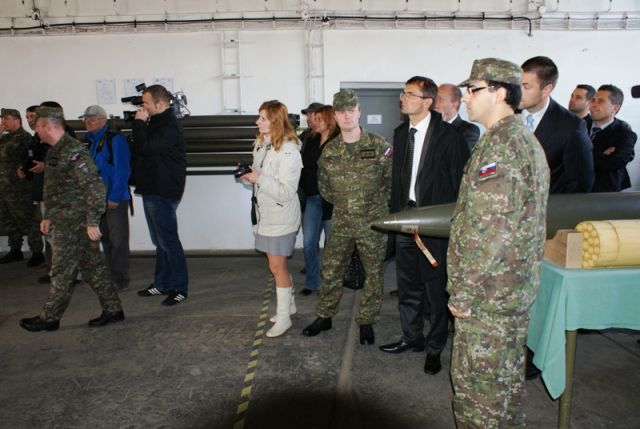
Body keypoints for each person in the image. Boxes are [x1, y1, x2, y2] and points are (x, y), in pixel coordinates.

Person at [448, 58, 549, 427]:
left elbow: (492, 230)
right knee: (504, 388)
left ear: (500, 93)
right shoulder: (516, 140)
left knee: (479, 395)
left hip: (489, 296)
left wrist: (463, 291)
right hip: (506, 292)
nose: (465, 97)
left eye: (473, 90)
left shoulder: (502, 147)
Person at [379, 77, 470, 375]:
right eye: (403, 93)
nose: (402, 98)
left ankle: (435, 348)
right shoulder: (401, 133)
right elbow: (397, 181)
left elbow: (460, 184)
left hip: (434, 222)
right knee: (407, 284)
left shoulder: (450, 136)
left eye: (410, 94)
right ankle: (412, 337)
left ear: (427, 101)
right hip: (406, 219)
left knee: (436, 290)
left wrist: (454, 225)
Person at [19, 108, 124, 332]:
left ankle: (50, 317)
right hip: (65, 220)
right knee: (93, 268)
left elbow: (95, 188)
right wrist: (49, 216)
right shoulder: (55, 151)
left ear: (48, 126)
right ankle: (113, 309)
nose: (36, 131)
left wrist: (92, 222)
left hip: (76, 224)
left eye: (37, 127)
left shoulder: (73, 151)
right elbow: (56, 190)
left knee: (61, 270)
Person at [302, 89, 392, 345]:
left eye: (351, 110)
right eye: (341, 112)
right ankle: (325, 315)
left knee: (373, 273)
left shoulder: (380, 145)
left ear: (359, 111)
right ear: (335, 116)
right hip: (341, 220)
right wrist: (347, 204)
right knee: (332, 270)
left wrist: (371, 206)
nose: (346, 116)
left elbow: (391, 183)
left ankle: (367, 321)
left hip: (372, 222)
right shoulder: (330, 151)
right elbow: (324, 187)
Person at [240, 100, 302, 337]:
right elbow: (262, 181)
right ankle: (290, 306)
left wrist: (258, 178)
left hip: (281, 217)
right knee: (276, 266)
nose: (257, 122)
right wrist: (250, 178)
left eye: (263, 118)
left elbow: (286, 192)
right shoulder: (261, 145)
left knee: (277, 267)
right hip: (265, 215)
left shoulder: (289, 151)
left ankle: (284, 318)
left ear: (275, 121)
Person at [132, 84, 189, 306]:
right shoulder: (156, 122)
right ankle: (162, 283)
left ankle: (180, 288)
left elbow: (146, 147)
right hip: (152, 187)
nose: (143, 107)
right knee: (160, 240)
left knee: (168, 241)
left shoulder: (169, 125)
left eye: (146, 103)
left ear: (160, 103)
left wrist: (139, 124)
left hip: (163, 190)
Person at [520, 56, 594, 193]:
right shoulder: (507, 113)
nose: (518, 91)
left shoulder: (571, 126)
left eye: (526, 87)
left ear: (547, 89)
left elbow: (580, 182)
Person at [81, 105, 131, 290]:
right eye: (86, 119)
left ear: (103, 120)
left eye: (92, 119)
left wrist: (115, 197)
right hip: (97, 199)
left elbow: (122, 169)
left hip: (114, 199)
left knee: (118, 240)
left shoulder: (116, 140)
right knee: (106, 239)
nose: (88, 122)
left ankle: (120, 279)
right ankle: (111, 275)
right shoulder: (90, 142)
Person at [299, 105, 338, 296]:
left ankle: (331, 284)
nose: (315, 121)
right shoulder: (311, 140)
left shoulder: (339, 141)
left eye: (319, 119)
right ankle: (312, 282)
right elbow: (304, 166)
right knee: (308, 242)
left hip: (333, 201)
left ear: (329, 120)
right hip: (313, 198)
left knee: (333, 246)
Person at [0, 108, 44, 265]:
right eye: (2, 119)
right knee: (8, 220)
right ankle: (15, 250)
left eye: (6, 119)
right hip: (3, 187)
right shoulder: (4, 138)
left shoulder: (25, 138)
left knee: (27, 219)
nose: (3, 122)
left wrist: (25, 169)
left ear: (17, 120)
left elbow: (33, 158)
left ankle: (37, 252)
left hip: (19, 188)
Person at [589, 84, 637, 192]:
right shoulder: (579, 126)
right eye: (593, 100)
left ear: (615, 108)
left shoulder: (625, 134)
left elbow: (614, 162)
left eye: (600, 101)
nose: (593, 104)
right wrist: (601, 155)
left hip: (604, 191)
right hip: (574, 188)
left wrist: (578, 156)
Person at [434, 83, 481, 151]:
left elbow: (458, 155)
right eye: (434, 98)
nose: (434, 103)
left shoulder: (469, 130)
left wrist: (443, 126)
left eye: (440, 99)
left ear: (454, 104)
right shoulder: (429, 125)